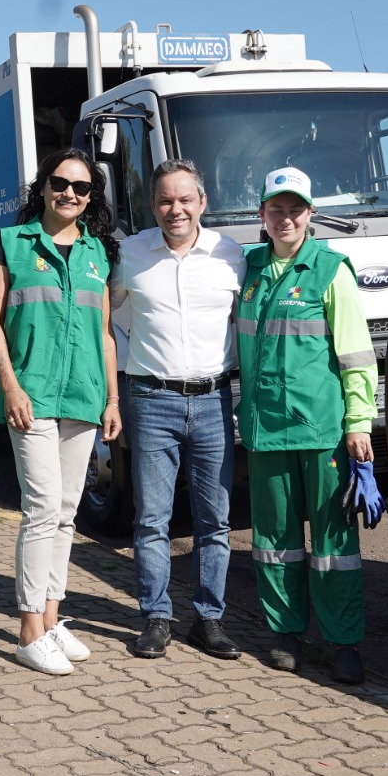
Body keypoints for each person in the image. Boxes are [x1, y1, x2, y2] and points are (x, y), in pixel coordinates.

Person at [235, 167, 378, 684]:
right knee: (274, 540)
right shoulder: (248, 268)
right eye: (276, 209)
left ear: (311, 214)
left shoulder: (330, 269)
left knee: (334, 546)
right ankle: (285, 634)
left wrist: (359, 422)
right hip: (264, 430)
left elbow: (357, 356)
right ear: (262, 216)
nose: (286, 218)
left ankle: (344, 643)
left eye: (295, 209)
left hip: (323, 432)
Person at [0, 148, 121, 675]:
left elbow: (105, 335)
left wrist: (111, 398)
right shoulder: (12, 245)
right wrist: (10, 387)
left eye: (81, 188)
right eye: (60, 183)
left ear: (91, 199)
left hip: (83, 397)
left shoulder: (96, 254)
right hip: (32, 397)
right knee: (40, 511)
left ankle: (53, 619)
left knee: (66, 514)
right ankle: (27, 630)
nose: (69, 193)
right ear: (42, 187)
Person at [110, 158, 246, 660]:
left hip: (213, 399)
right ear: (153, 205)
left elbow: (245, 326)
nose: (176, 209)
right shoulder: (129, 254)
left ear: (202, 204)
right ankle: (156, 616)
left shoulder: (231, 256)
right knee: (152, 518)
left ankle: (209, 619)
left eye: (186, 199)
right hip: (150, 399)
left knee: (215, 519)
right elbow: (108, 315)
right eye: (166, 200)